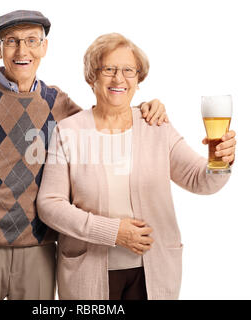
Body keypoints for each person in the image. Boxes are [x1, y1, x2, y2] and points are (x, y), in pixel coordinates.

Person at [0, 11, 169, 300]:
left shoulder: (59, 103)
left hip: (39, 249)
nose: (22, 50)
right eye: (12, 41)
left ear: (44, 47)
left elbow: (104, 124)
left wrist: (143, 109)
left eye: (32, 40)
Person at [36, 33, 236, 300]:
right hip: (88, 271)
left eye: (129, 70)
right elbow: (50, 205)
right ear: (91, 76)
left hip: (153, 270)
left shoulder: (155, 125)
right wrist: (113, 232)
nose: (119, 79)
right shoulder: (68, 130)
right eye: (109, 69)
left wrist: (219, 160)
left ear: (139, 79)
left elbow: (200, 180)